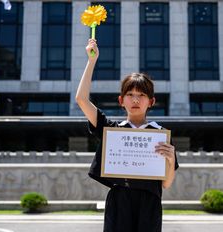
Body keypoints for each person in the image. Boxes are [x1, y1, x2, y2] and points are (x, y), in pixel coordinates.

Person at [75, 39, 179, 232]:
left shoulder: (160, 135)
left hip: (150, 204)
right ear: (121, 100)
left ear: (151, 101)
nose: (136, 99)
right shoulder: (112, 130)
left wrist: (171, 160)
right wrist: (91, 61)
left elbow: (166, 183)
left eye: (142, 95)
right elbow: (81, 99)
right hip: (119, 202)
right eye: (130, 94)